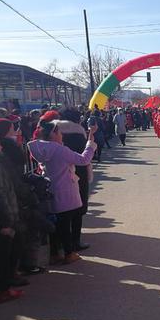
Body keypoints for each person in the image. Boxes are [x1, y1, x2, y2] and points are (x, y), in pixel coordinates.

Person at [27, 118, 97, 264]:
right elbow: (83, 160)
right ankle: (69, 253)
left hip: (50, 189)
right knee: (65, 223)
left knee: (55, 224)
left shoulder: (41, 149)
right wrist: (90, 142)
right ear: (54, 134)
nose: (62, 135)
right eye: (59, 132)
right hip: (65, 189)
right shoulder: (59, 150)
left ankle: (54, 254)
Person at [58, 107, 93, 251]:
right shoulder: (78, 134)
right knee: (78, 206)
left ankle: (61, 243)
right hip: (77, 172)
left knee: (62, 209)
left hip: (58, 174)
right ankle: (75, 241)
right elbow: (84, 157)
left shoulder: (54, 132)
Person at [0, 137, 23, 303]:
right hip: (3, 218)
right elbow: (0, 194)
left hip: (5, 215)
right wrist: (6, 222)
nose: (0, 146)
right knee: (2, 256)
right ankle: (3, 290)